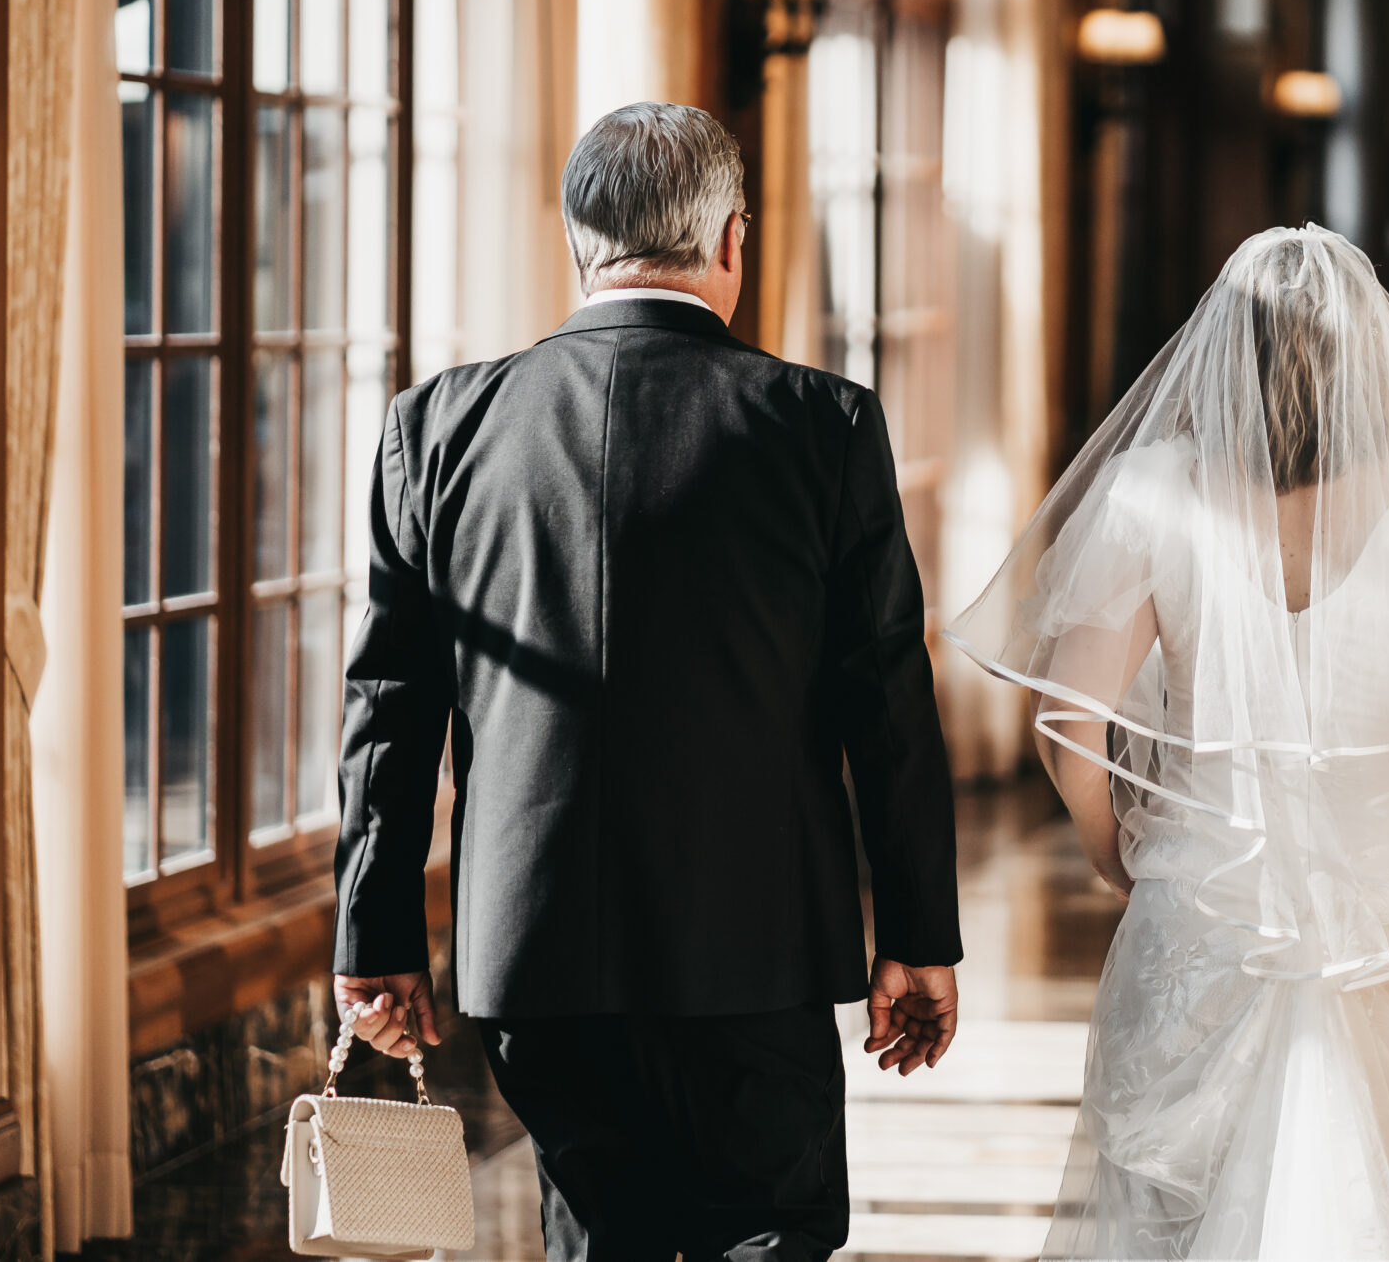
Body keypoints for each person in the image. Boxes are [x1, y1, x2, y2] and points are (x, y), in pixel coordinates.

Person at [330, 102, 965, 1262]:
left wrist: (374, 937)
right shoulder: (821, 425)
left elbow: (390, 702)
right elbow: (885, 700)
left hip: (534, 945)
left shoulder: (436, 428)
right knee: (771, 1231)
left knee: (597, 1238)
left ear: (579, 245)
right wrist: (919, 935)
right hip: (755, 944)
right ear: (733, 239)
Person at [950, 226, 1389, 1260]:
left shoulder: (1153, 492)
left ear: (1218, 353)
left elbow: (1069, 723)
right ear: (1369, 359)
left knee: (1187, 1213)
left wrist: (1108, 845)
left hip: (1207, 900)